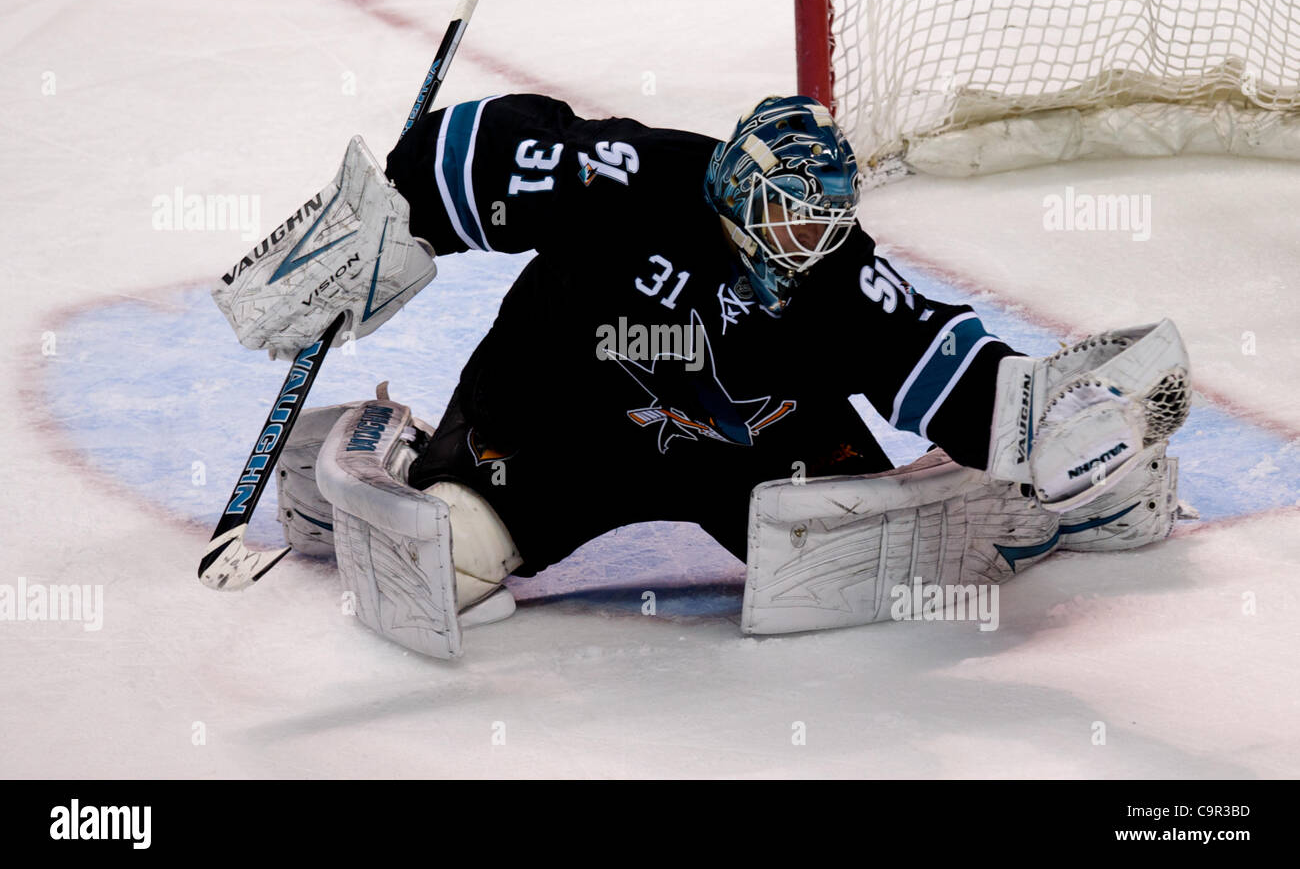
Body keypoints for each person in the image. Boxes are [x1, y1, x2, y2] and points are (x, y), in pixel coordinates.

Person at [213, 94, 1190, 657]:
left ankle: (1063, 509)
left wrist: (1040, 427)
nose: (808, 245)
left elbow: (935, 354)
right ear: (737, 188)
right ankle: (347, 458)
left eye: (826, 225)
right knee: (437, 561)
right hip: (559, 421)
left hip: (750, 451)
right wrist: (390, 217)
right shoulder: (634, 175)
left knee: (860, 571)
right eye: (791, 220)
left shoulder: (839, 271)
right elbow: (482, 153)